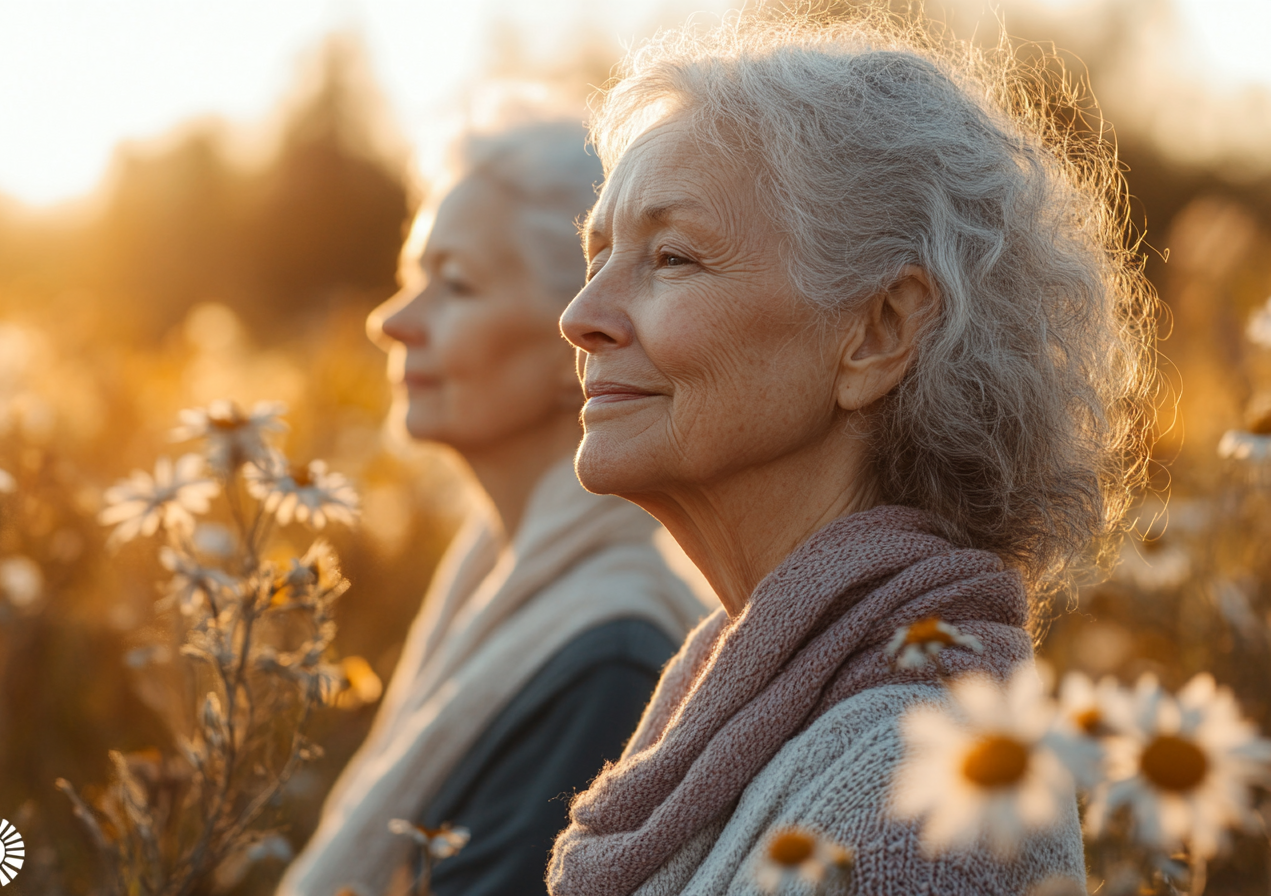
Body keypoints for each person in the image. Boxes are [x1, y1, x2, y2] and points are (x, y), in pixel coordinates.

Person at [547, 12, 1155, 896]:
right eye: (596, 255)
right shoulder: (779, 710)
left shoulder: (925, 807)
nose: (581, 316)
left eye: (672, 257)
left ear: (879, 332)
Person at [277, 120, 709, 896]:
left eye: (456, 284)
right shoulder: (489, 580)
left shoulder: (606, 666)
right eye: (412, 275)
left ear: (583, 333)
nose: (391, 321)